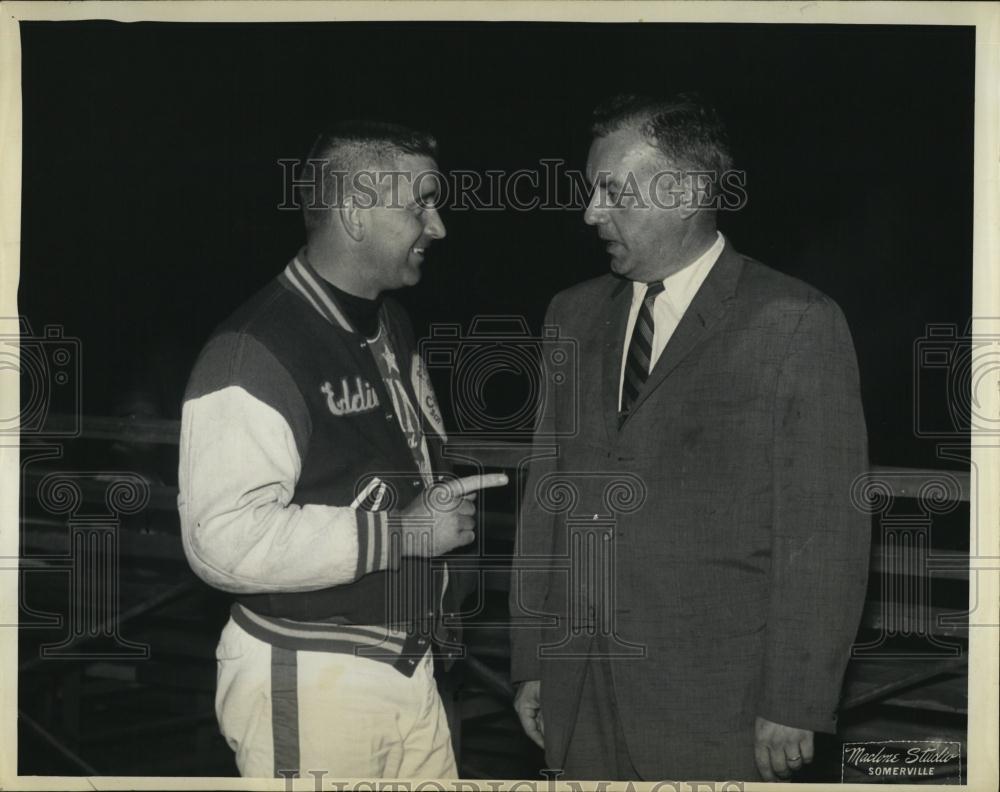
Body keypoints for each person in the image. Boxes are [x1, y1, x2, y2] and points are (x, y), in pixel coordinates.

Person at [510, 94, 870, 782]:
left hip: (717, 699)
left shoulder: (795, 322)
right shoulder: (571, 315)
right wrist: (531, 663)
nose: (590, 213)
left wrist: (796, 700)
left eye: (611, 191)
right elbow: (543, 506)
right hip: (576, 682)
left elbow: (825, 534)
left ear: (688, 192)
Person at [178, 121, 507, 778]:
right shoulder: (254, 347)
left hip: (408, 670)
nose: (437, 227)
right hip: (312, 677)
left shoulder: (389, 322)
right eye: (420, 204)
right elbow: (221, 539)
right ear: (355, 212)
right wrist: (404, 534)